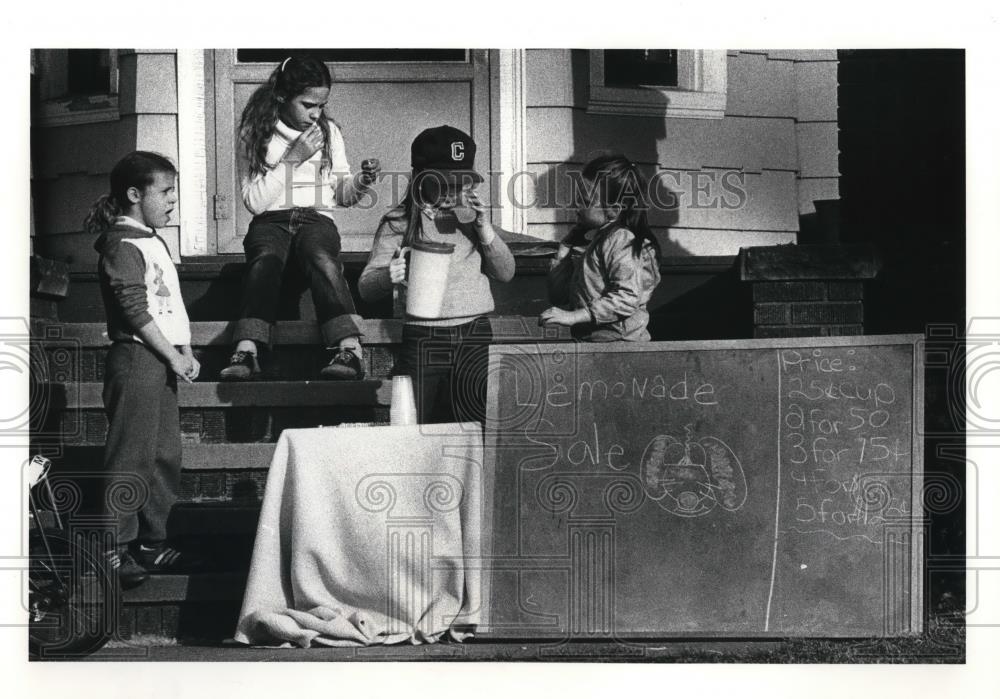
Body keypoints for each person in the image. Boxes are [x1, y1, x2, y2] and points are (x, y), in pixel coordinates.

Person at [220, 54, 380, 381]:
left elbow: (341, 195)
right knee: (264, 260)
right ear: (282, 96)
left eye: (321, 106)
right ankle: (248, 350)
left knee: (322, 258)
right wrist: (293, 159)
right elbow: (255, 202)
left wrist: (362, 182)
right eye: (308, 104)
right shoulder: (256, 133)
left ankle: (349, 349)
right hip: (271, 220)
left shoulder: (328, 132)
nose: (315, 114)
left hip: (315, 219)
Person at [86, 151, 203, 588]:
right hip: (137, 358)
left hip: (163, 360)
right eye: (166, 191)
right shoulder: (121, 243)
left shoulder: (153, 240)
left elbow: (169, 304)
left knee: (162, 454)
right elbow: (133, 308)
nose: (173, 200)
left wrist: (185, 349)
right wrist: (171, 355)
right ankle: (112, 546)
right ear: (135, 195)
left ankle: (152, 541)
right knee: (130, 455)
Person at [359, 125, 515, 424]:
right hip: (424, 338)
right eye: (443, 182)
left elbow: (506, 273)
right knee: (415, 426)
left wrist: (484, 229)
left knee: (474, 425)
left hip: (474, 334)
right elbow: (366, 286)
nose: (452, 192)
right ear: (421, 178)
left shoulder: (471, 220)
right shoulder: (398, 222)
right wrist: (388, 275)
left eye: (460, 183)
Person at [541, 154, 662, 341]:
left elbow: (626, 297)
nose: (576, 206)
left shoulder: (621, 241)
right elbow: (559, 297)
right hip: (595, 341)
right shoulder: (597, 242)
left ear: (614, 209)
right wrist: (563, 251)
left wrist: (574, 316)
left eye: (585, 201)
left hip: (621, 344)